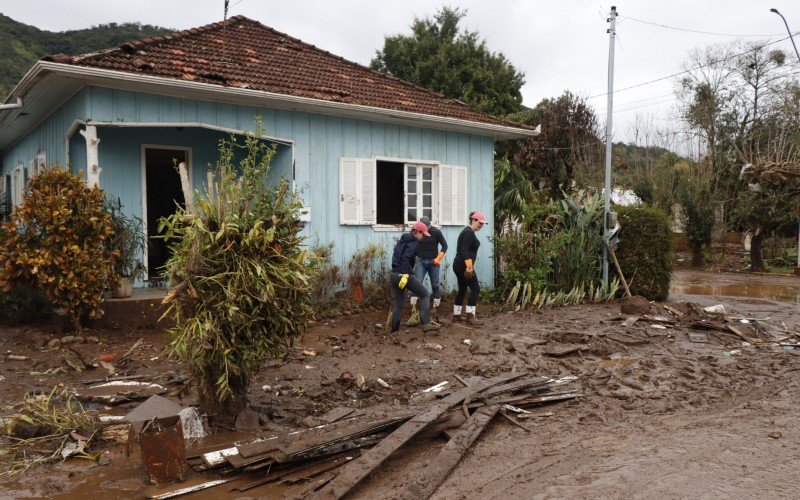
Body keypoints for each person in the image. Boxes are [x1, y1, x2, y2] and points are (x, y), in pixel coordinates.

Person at [390, 221, 440, 333]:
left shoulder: (403, 240)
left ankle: (394, 331)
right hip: (404, 275)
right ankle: (426, 324)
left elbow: (398, 257)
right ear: (417, 232)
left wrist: (399, 273)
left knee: (399, 304)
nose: (422, 238)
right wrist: (406, 274)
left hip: (394, 275)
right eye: (422, 234)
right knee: (425, 294)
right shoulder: (413, 241)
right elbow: (406, 258)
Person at [409, 216, 448, 323]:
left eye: (425, 228)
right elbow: (410, 245)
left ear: (428, 225)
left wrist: (438, 258)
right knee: (417, 283)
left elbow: (445, 246)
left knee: (435, 285)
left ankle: (435, 310)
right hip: (420, 261)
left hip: (433, 262)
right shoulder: (416, 231)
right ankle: (413, 310)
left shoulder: (436, 232)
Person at [452, 211, 487, 325]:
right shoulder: (468, 233)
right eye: (479, 223)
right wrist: (469, 267)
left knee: (462, 289)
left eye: (483, 224)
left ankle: (456, 316)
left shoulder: (468, 232)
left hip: (459, 264)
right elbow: (464, 250)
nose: (481, 225)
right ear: (473, 220)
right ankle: (470, 317)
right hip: (464, 266)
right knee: (475, 289)